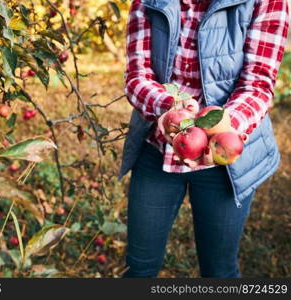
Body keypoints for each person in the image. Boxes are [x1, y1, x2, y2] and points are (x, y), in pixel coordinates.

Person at [118, 0, 289, 277]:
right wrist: (167, 107)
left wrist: (222, 128)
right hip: (159, 147)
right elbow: (137, 75)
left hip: (224, 161)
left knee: (219, 271)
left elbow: (257, 84)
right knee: (139, 267)